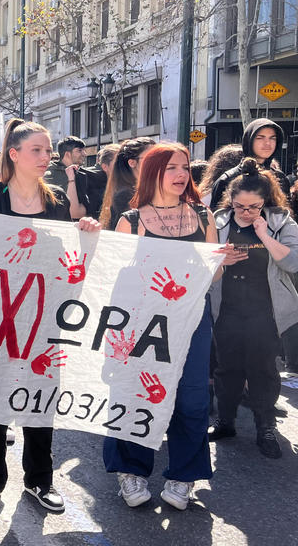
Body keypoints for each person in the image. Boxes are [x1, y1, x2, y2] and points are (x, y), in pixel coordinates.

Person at [0, 119, 101, 514]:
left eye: (48, 149)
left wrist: (85, 231)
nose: (46, 156)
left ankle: (40, 480)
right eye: (37, 150)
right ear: (15, 155)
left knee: (40, 399)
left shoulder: (56, 202)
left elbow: (66, 258)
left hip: (41, 318)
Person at [104, 143, 240, 510]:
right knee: (137, 393)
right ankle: (130, 470)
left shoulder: (203, 216)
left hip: (192, 322)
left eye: (185, 168)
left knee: (193, 397)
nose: (182, 175)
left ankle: (184, 475)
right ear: (152, 174)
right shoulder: (130, 221)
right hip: (144, 324)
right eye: (171, 168)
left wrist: (219, 261)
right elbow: (119, 279)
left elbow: (213, 277)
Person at [208, 158, 298, 458]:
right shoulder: (218, 220)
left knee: (263, 369)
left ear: (265, 201)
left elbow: (293, 261)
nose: (246, 213)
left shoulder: (281, 220)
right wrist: (220, 261)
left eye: (254, 207)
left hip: (266, 309)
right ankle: (225, 420)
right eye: (240, 207)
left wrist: (264, 235)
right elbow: (199, 261)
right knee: (226, 367)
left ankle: (265, 426)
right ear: (230, 201)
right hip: (227, 306)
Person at [207, 119, 291, 209]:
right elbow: (218, 218)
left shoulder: (280, 178)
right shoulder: (227, 179)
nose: (267, 143)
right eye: (260, 138)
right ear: (249, 140)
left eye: (272, 138)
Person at [99, 137, 154, 230]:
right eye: (150, 158)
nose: (157, 163)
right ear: (132, 163)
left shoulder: (151, 188)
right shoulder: (125, 195)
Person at [42, 135, 87, 220]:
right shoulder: (50, 175)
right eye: (79, 150)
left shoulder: (79, 173)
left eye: (84, 150)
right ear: (67, 154)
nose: (84, 154)